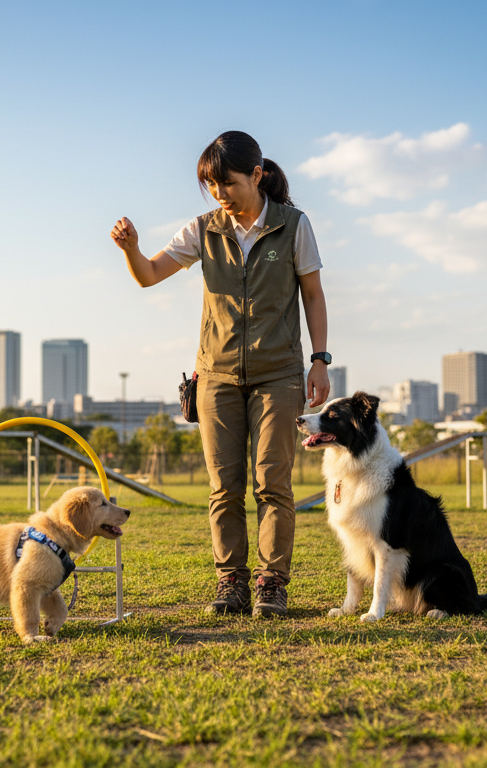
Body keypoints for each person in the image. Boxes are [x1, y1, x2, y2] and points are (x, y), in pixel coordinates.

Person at [110, 130, 331, 618]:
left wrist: (320, 359)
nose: (219, 194)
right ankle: (231, 581)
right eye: (211, 185)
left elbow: (313, 295)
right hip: (216, 376)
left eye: (228, 183)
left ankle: (271, 583)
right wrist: (131, 249)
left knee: (272, 483)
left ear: (256, 175)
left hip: (279, 374)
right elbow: (149, 275)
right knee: (223, 487)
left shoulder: (293, 225)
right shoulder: (203, 229)